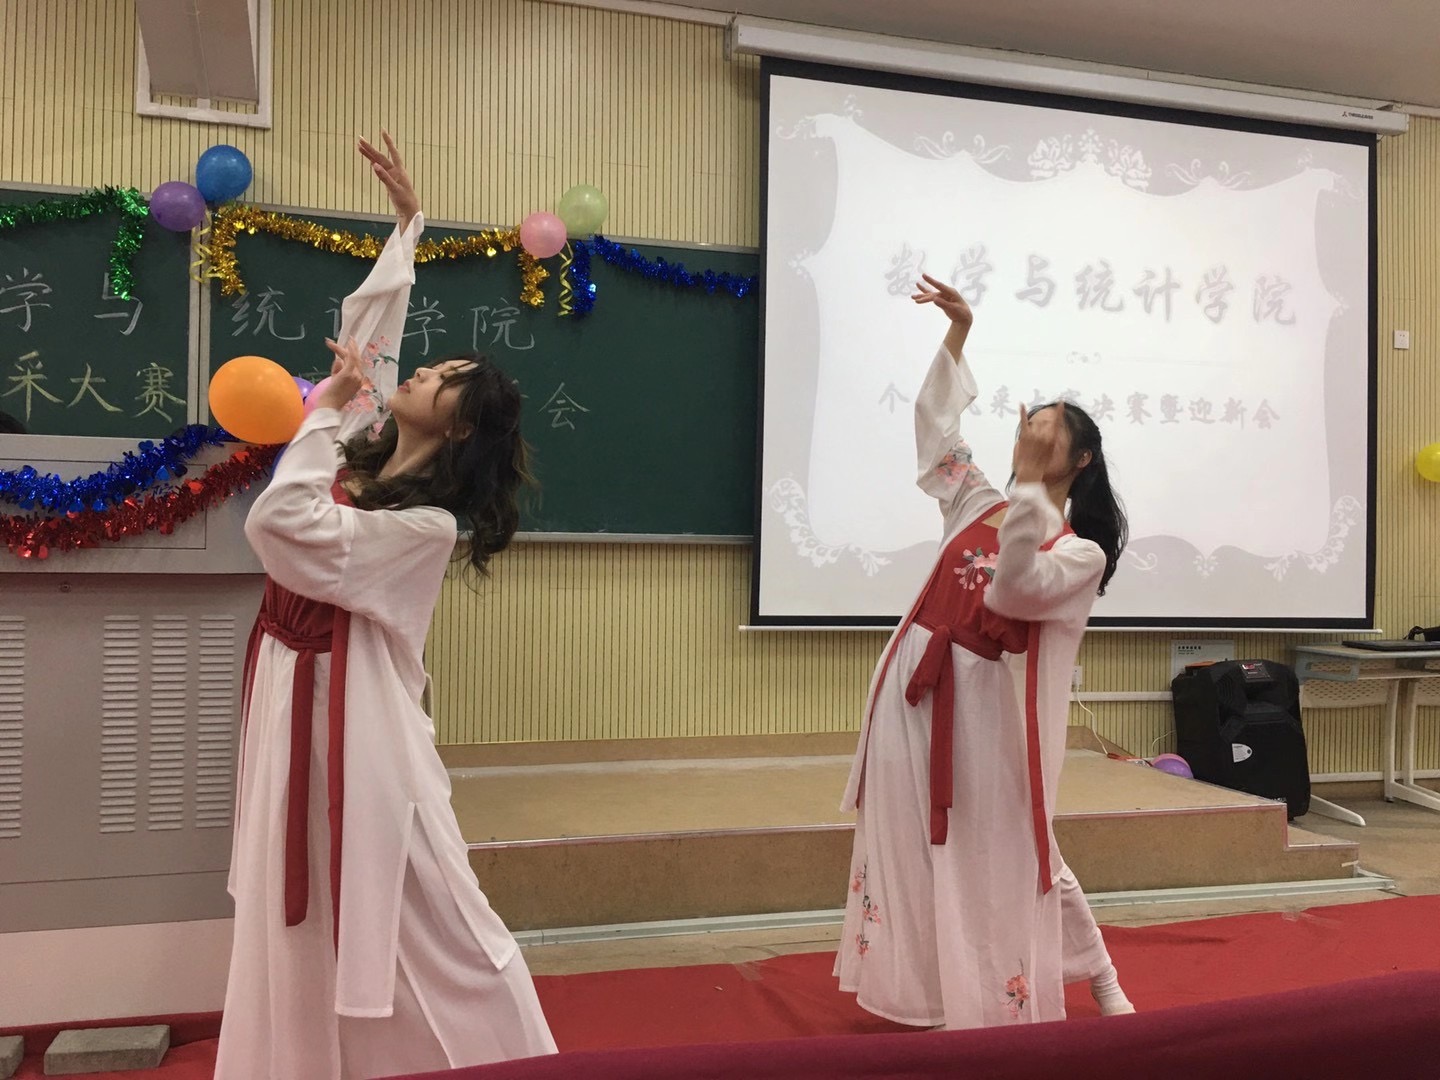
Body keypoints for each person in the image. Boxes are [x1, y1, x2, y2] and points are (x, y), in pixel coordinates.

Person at [215, 133, 556, 1079]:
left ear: (460, 425)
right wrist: (407, 227)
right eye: (432, 364)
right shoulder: (361, 448)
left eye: (443, 378)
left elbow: (280, 526)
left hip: (362, 731)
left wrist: (322, 408)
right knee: (304, 906)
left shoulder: (425, 526)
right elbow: (367, 346)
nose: (422, 372)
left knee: (428, 909)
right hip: (291, 698)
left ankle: (511, 1059)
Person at [834, 273, 1133, 1029]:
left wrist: (1027, 485)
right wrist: (959, 332)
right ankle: (934, 993)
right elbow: (935, 429)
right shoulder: (978, 499)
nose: (1032, 430)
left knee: (1023, 853)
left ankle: (1097, 975)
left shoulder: (1080, 553)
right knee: (911, 838)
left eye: (1049, 429)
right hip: (914, 688)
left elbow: (1014, 592)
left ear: (1080, 460)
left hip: (989, 717)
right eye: (1030, 422)